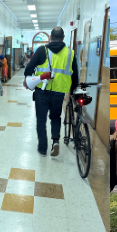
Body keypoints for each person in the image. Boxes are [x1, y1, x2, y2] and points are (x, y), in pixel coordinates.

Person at [24, 26, 79, 157]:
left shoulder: (42, 50)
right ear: (63, 37)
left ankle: (42, 148)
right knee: (55, 117)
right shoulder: (70, 53)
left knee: (41, 120)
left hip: (41, 92)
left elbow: (28, 70)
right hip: (59, 92)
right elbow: (75, 76)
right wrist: (72, 90)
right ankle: (55, 141)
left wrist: (31, 78)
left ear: (50, 37)